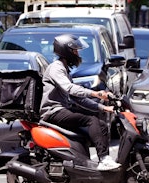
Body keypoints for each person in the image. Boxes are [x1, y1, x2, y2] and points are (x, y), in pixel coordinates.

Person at [40, 34, 121, 171]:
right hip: (53, 111)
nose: (78, 54)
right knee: (91, 120)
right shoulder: (56, 68)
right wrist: (95, 93)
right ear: (66, 51)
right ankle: (104, 160)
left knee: (99, 125)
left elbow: (78, 99)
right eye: (75, 51)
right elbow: (70, 89)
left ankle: (84, 167)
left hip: (61, 110)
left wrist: (103, 108)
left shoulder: (64, 69)